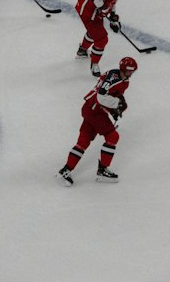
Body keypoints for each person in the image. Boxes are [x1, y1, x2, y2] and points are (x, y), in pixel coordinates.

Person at [59, 56, 137, 186]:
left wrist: (113, 109)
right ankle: (103, 170)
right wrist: (116, 104)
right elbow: (101, 97)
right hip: (95, 111)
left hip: (90, 108)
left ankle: (65, 170)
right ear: (124, 69)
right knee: (113, 136)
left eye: (133, 70)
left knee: (82, 142)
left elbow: (111, 94)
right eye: (130, 70)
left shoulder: (119, 77)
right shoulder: (115, 80)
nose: (132, 73)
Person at [76, 0, 129, 75]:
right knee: (102, 39)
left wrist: (113, 15)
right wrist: (103, 10)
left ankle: (82, 51)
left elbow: (112, 0)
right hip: (88, 11)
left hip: (93, 10)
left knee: (94, 32)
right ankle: (94, 64)